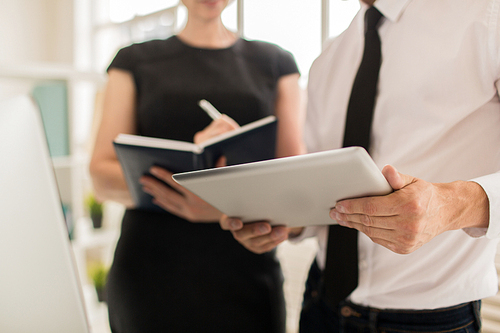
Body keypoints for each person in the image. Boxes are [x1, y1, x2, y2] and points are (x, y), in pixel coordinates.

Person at [220, 0, 500, 331]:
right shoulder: (329, 57)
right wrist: (281, 223)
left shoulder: (485, 17)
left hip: (431, 320)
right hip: (322, 303)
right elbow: (322, 189)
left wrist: (450, 206)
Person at [89, 0, 305, 331]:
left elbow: (294, 182)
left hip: (246, 271)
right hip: (152, 273)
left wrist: (218, 206)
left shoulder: (276, 62)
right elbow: (102, 175)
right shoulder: (134, 60)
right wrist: (194, 165)